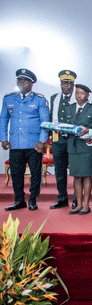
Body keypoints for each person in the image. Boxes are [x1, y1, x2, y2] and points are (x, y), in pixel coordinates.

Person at [1, 69, 49, 211]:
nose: (21, 83)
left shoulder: (39, 99)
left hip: (34, 144)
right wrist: (3, 138)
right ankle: (19, 200)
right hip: (15, 142)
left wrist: (42, 141)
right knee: (16, 173)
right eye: (19, 80)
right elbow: (3, 119)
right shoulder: (8, 98)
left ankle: (33, 200)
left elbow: (45, 122)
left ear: (31, 84)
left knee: (35, 173)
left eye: (25, 81)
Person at [64, 84, 92, 215]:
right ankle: (78, 204)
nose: (79, 96)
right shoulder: (69, 109)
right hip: (73, 146)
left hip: (87, 146)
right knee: (76, 176)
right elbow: (65, 126)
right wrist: (62, 131)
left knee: (86, 175)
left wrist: (88, 131)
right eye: (77, 93)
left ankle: (86, 205)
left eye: (82, 93)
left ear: (88, 95)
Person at [49, 70, 78, 210]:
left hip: (73, 140)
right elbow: (51, 117)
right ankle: (62, 198)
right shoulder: (54, 98)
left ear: (73, 85)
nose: (66, 86)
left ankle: (77, 199)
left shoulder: (78, 98)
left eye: (69, 83)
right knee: (59, 172)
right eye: (63, 83)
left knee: (76, 171)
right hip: (58, 140)